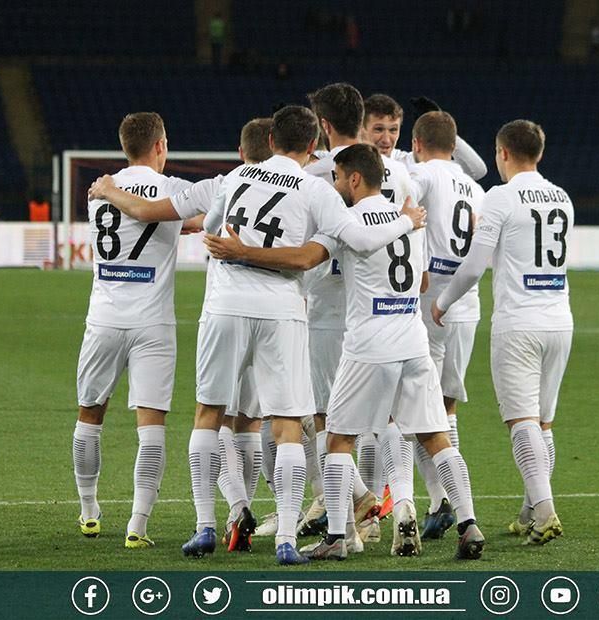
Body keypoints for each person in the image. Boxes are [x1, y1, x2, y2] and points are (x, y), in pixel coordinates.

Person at [205, 144, 484, 561]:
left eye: (336, 177)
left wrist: (241, 251)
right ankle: (469, 524)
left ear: (354, 178)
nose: (334, 185)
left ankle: (337, 537)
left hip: (368, 344)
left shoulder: (346, 221)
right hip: (412, 339)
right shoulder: (413, 219)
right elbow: (422, 284)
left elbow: (302, 259)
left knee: (337, 439)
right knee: (435, 436)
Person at [88, 117, 274, 555]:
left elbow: (153, 214)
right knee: (269, 422)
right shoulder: (307, 187)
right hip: (281, 316)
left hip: (215, 311)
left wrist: (110, 190)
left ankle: (220, 515)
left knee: (211, 416)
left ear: (241, 151)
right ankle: (295, 521)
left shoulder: (219, 184)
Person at [432, 120, 572, 545]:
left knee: (522, 420)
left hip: (519, 323)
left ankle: (546, 510)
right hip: (560, 320)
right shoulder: (562, 198)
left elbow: (474, 266)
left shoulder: (500, 197)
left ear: (502, 153)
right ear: (540, 153)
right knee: (543, 423)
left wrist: (442, 302)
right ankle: (530, 510)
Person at [301, 82, 416, 543]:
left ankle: (352, 519)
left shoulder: (314, 176)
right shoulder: (397, 174)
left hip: (330, 310)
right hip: (388, 310)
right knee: (388, 418)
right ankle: (396, 502)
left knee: (331, 422)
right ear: (362, 118)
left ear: (324, 126)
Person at [73, 112, 192, 549]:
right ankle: (137, 526)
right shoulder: (174, 191)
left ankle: (89, 512)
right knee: (152, 426)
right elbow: (192, 220)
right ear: (160, 145)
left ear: (126, 146)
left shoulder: (99, 192)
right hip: (152, 323)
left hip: (102, 319)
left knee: (90, 416)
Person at [409, 111, 485, 541]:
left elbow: (405, 212)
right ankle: (444, 503)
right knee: (446, 405)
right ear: (454, 146)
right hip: (466, 307)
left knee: (415, 409)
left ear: (417, 144)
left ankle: (440, 500)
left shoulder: (422, 176)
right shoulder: (475, 188)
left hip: (429, 301)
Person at [362, 94, 488, 181]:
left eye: (393, 130)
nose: (386, 139)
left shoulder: (410, 163)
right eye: (378, 129)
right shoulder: (348, 162)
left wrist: (443, 130)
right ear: (362, 129)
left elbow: (476, 170)